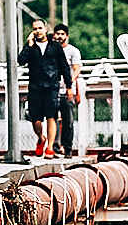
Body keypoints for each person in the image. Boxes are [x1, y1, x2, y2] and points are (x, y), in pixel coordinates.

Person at [18, 19, 72, 159]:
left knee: (51, 116)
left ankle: (50, 148)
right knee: (35, 118)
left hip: (52, 86)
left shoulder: (55, 46)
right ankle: (41, 138)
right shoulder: (31, 46)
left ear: (46, 29)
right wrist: (29, 45)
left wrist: (69, 86)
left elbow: (64, 66)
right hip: (35, 87)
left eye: (40, 28)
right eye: (35, 28)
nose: (37, 31)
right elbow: (21, 61)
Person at [52, 23, 82, 157]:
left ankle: (68, 147)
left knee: (68, 120)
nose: (59, 36)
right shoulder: (51, 50)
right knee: (52, 118)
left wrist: (70, 83)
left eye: (62, 34)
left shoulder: (73, 51)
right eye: (57, 33)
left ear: (67, 36)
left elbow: (76, 69)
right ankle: (54, 146)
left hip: (67, 90)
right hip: (52, 89)